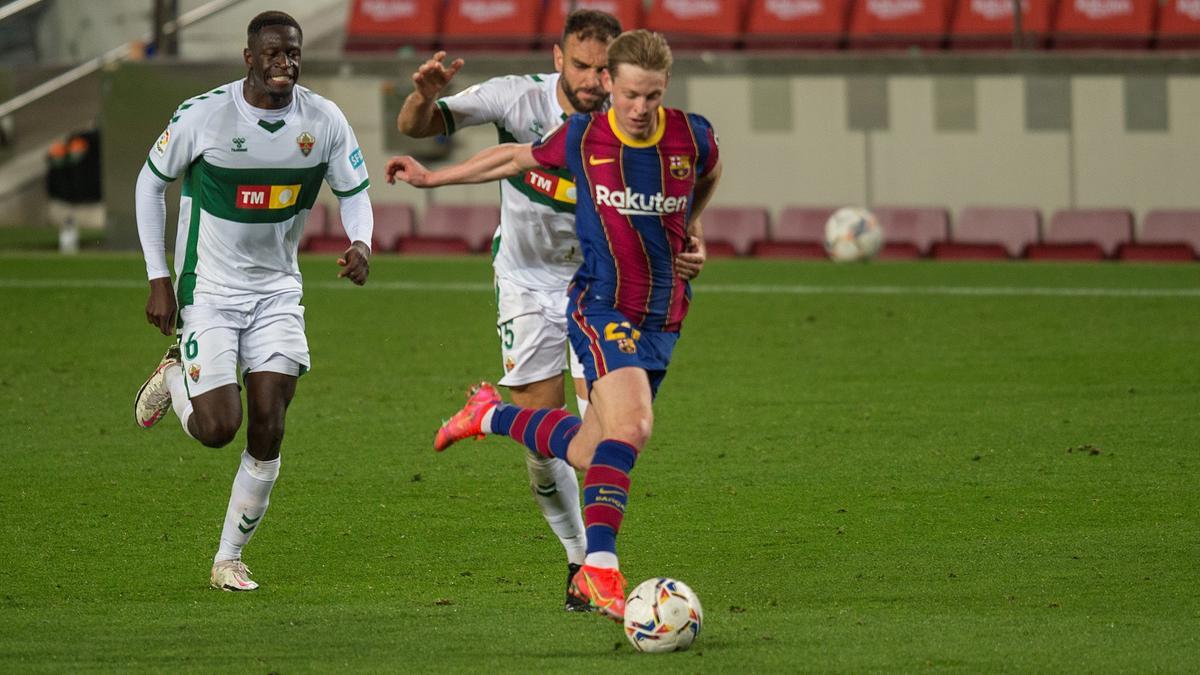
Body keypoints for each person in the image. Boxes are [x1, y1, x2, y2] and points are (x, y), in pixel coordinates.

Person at [386, 29, 722, 621]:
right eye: (628, 94)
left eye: (651, 96)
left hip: (664, 312)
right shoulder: (585, 135)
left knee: (593, 447)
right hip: (601, 305)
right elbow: (514, 156)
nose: (639, 109)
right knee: (633, 426)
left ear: (664, 88)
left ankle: (487, 414)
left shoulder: (691, 136)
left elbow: (707, 175)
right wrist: (431, 180)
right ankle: (597, 569)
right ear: (609, 84)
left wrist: (691, 227)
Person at [131, 10, 374, 592]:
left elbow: (355, 191)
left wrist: (361, 241)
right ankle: (176, 373)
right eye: (272, 53)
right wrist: (158, 276)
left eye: (292, 52)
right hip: (209, 289)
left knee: (269, 423)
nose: (284, 63)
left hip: (277, 292)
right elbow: (149, 183)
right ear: (249, 58)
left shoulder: (324, 120)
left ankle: (227, 560)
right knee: (219, 428)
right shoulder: (205, 116)